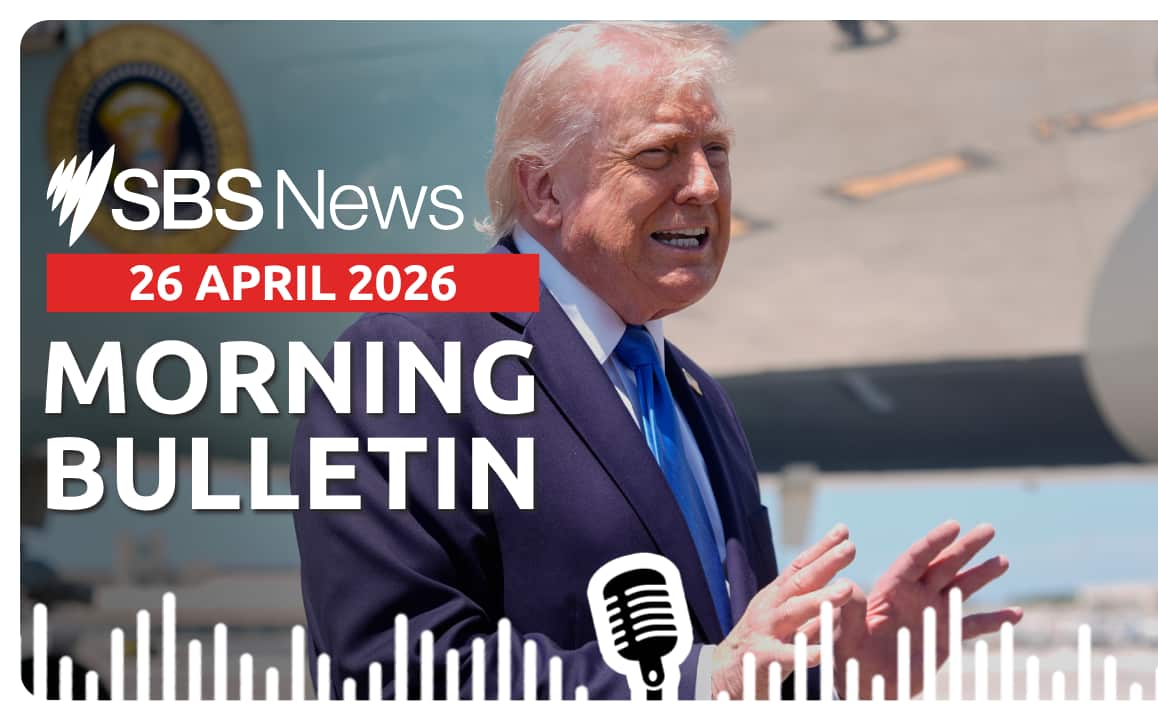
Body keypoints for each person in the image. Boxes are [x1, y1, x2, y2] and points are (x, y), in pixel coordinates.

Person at [289, 21, 1021, 700]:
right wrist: (696, 680)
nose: (704, 186)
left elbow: (729, 663)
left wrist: (838, 680)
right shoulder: (410, 356)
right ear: (543, 189)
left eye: (718, 153)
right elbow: (389, 670)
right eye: (658, 154)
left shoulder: (693, 394)